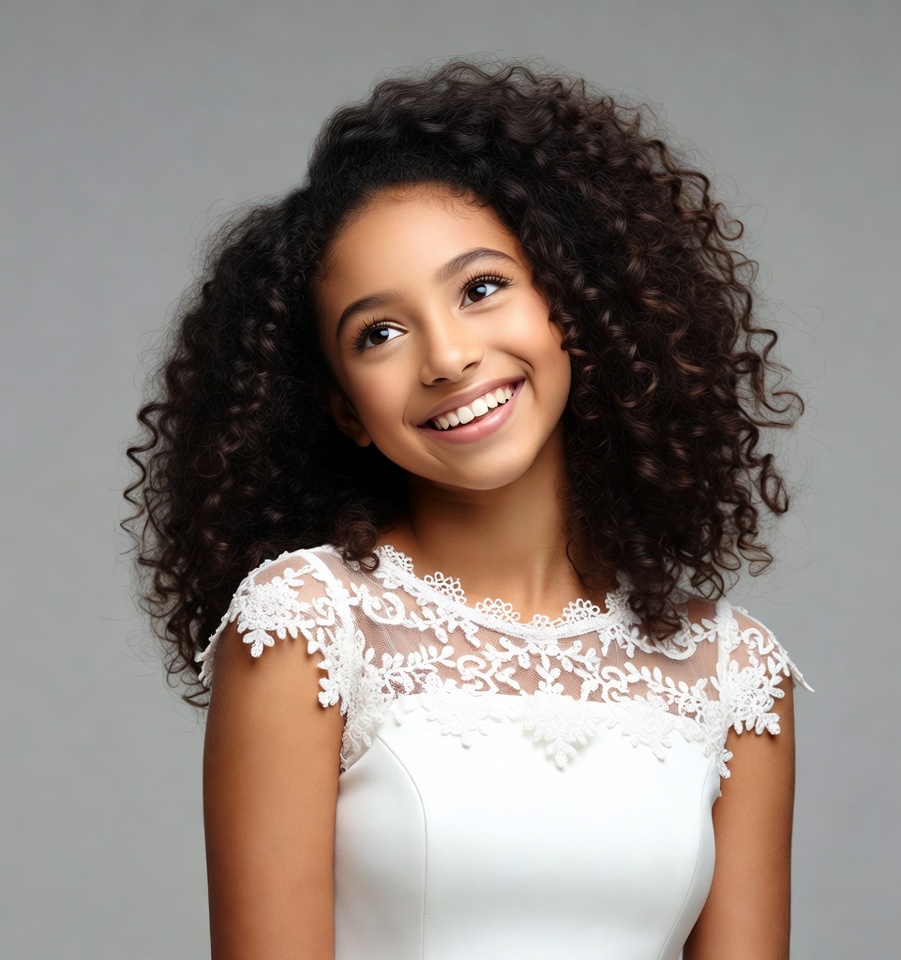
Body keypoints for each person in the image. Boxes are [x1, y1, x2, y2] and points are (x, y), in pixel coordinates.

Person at [125, 59, 809, 960]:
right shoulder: (304, 627)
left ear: (571, 302)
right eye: (380, 333)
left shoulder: (735, 675)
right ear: (343, 409)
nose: (447, 357)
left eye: (481, 288)